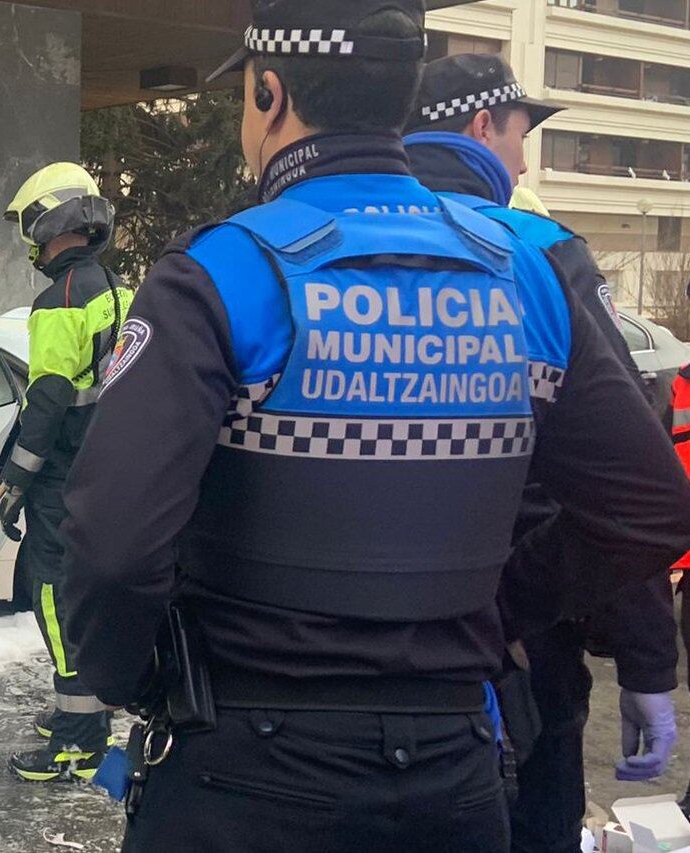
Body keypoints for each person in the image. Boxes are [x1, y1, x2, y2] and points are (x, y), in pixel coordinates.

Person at [59, 1, 690, 849]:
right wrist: (496, 603)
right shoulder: (529, 272)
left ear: (269, 93)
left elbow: (111, 544)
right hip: (452, 767)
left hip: (242, 766)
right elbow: (646, 505)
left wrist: (134, 680)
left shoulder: (219, 271)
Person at [402, 53, 681, 852]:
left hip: (323, 667)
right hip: (517, 653)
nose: (523, 159)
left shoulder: (311, 245)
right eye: (521, 134)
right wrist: (645, 663)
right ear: (482, 127)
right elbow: (625, 494)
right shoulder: (539, 254)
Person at [0, 162, 132, 782]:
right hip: (103, 474)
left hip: (60, 478)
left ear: (47, 222)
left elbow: (47, 399)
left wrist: (17, 480)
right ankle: (76, 713)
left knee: (54, 596)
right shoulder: (118, 290)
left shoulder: (59, 301)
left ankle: (79, 738)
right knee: (70, 591)